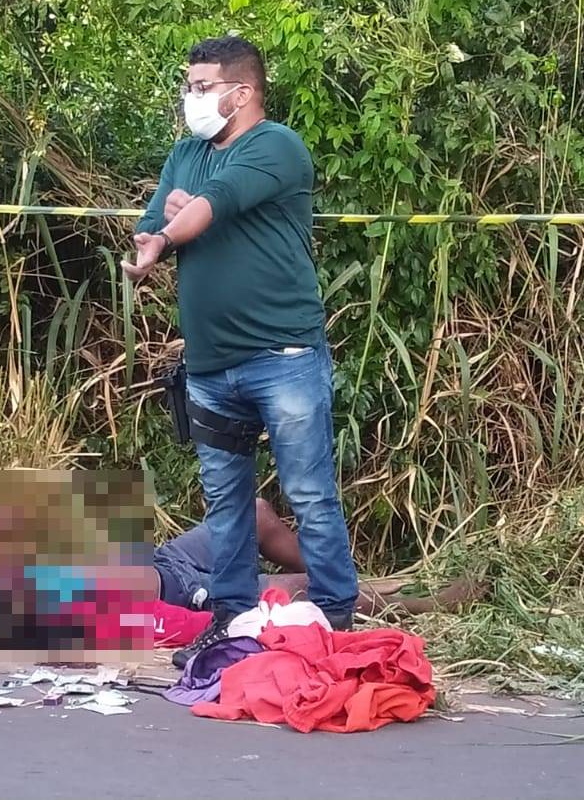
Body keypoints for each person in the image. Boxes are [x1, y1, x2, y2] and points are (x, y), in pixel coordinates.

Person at [124, 35, 359, 668]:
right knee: (224, 500)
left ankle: (334, 612)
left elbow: (212, 203)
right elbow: (158, 222)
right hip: (208, 363)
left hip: (282, 355)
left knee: (309, 491)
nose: (190, 99)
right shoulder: (185, 152)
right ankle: (229, 619)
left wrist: (184, 216)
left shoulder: (275, 146)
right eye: (189, 86)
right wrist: (165, 230)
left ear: (243, 92)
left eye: (202, 88)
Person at [152, 497, 484, 618]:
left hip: (162, 561)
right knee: (308, 588)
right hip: (180, 595)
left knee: (257, 512)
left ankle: (357, 586)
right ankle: (431, 603)